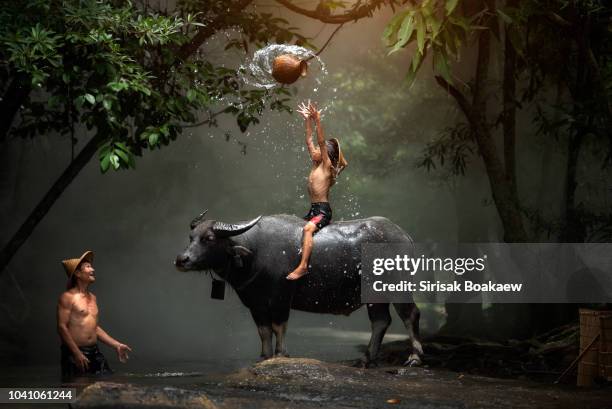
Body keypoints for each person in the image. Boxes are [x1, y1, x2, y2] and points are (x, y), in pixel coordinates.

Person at [287, 101, 347, 280]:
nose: (312, 151)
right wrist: (307, 121)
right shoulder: (315, 164)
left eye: (317, 151)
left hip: (322, 211)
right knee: (294, 226)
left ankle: (303, 266)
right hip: (313, 209)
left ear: (325, 154)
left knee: (307, 229)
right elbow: (309, 139)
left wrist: (318, 120)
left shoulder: (326, 166)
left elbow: (320, 141)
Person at [57, 250, 132, 381]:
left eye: (91, 266)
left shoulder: (93, 298)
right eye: (88, 267)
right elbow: (62, 327)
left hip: (94, 352)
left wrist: (117, 345)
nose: (93, 269)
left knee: (109, 382)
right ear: (78, 273)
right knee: (77, 391)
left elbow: (94, 328)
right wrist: (76, 353)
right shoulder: (68, 297)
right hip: (74, 353)